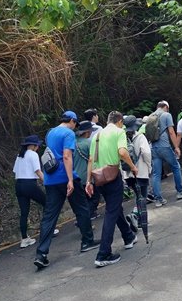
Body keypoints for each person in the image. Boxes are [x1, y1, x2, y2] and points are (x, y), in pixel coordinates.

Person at [34, 111, 100, 270]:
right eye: (75, 124)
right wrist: (70, 179)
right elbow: (66, 156)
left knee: (50, 216)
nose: (75, 127)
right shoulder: (68, 133)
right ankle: (87, 241)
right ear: (71, 121)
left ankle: (41, 254)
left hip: (50, 179)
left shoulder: (50, 132)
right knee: (82, 208)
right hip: (65, 177)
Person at [85, 111, 138, 268]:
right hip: (112, 176)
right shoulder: (119, 132)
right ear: (120, 121)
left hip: (99, 178)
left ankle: (128, 236)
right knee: (111, 212)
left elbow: (90, 159)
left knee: (115, 208)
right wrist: (133, 167)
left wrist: (88, 181)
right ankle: (103, 254)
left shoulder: (97, 136)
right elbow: (122, 152)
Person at [149, 101, 182, 207]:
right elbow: (171, 132)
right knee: (176, 166)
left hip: (153, 147)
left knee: (156, 174)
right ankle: (180, 191)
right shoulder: (166, 115)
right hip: (164, 146)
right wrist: (176, 147)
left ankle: (158, 200)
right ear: (166, 107)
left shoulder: (151, 116)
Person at [13, 135, 45, 248]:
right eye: (37, 145)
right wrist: (47, 182)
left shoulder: (19, 155)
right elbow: (38, 171)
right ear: (33, 145)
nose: (38, 147)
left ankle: (24, 239)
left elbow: (15, 171)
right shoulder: (33, 154)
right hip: (29, 184)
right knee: (47, 203)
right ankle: (47, 229)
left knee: (24, 212)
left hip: (19, 185)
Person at [122, 115, 151, 227]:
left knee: (138, 196)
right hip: (141, 172)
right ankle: (137, 217)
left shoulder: (122, 137)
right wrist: (149, 166)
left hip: (128, 174)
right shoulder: (140, 137)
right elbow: (146, 153)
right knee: (142, 197)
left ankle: (138, 218)